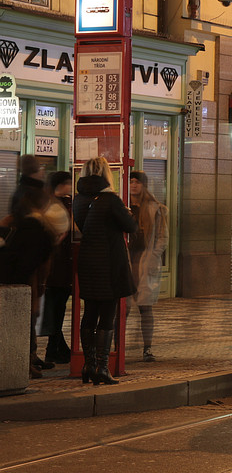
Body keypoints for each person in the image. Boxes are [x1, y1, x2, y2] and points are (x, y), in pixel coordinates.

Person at [72, 157, 136, 385]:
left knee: (89, 312)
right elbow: (131, 227)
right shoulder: (110, 199)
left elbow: (86, 225)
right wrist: (128, 213)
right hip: (109, 262)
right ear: (105, 174)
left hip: (89, 261)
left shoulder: (78, 199)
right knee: (108, 314)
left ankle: (88, 366)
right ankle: (102, 367)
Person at [0, 182, 66, 379]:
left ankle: (23, 362)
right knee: (23, 322)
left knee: (16, 324)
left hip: (10, 280)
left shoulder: (13, 222)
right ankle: (22, 364)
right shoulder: (38, 228)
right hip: (22, 282)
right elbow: (40, 263)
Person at [129, 172, 168, 362]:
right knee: (123, 307)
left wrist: (154, 255)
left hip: (145, 260)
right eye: (131, 181)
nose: (134, 185)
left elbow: (163, 236)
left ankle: (147, 348)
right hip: (127, 261)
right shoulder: (123, 206)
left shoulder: (154, 208)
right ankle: (116, 348)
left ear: (144, 185)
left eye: (137, 182)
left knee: (145, 307)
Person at [40, 171, 76, 365]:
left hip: (63, 266)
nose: (70, 186)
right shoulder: (53, 206)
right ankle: (53, 349)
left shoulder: (66, 203)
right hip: (56, 267)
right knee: (56, 309)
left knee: (58, 309)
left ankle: (57, 348)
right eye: (68, 183)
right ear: (59, 185)